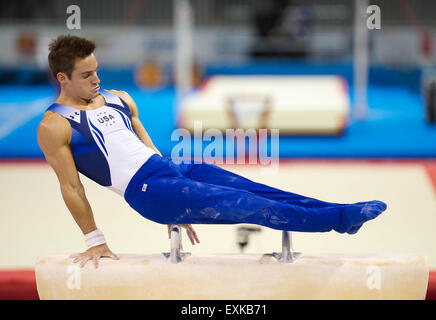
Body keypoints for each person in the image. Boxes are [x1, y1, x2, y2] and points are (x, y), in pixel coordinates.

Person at [37, 35, 387, 269]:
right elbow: (71, 187)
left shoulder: (117, 98)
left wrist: (179, 197)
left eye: (96, 70)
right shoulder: (55, 126)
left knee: (259, 190)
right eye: (86, 75)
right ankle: (340, 221)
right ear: (62, 77)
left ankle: (342, 213)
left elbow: (144, 142)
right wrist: (95, 241)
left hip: (171, 171)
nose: (96, 79)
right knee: (252, 207)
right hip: (148, 192)